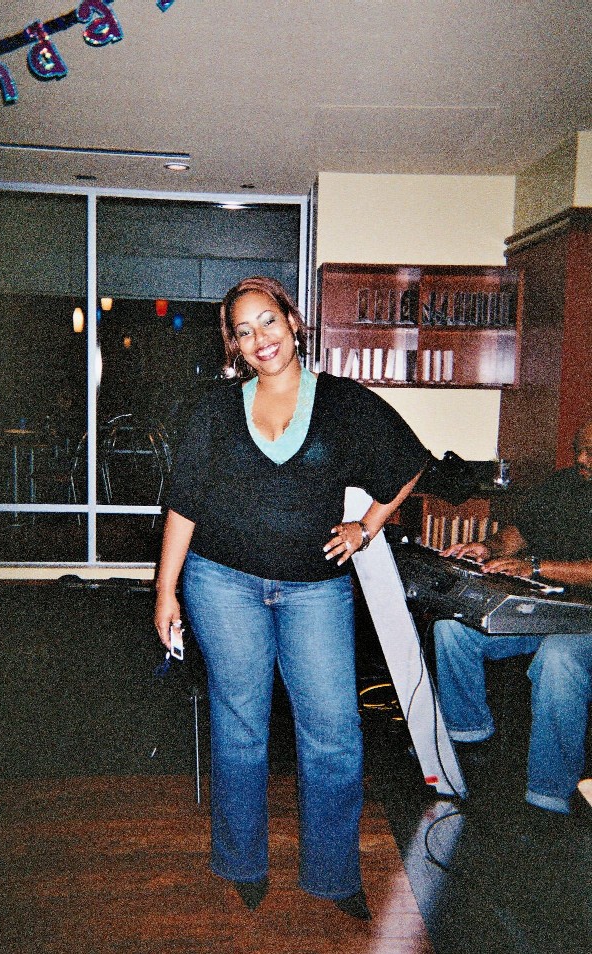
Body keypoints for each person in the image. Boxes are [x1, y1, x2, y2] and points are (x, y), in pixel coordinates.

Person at [154, 276, 429, 919]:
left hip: (315, 591)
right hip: (223, 583)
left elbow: (409, 461)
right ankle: (241, 862)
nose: (260, 339)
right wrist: (165, 592)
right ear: (235, 345)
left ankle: (332, 874)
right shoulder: (214, 411)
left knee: (334, 731)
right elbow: (184, 505)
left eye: (268, 322)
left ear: (293, 321)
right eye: (244, 331)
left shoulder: (343, 403)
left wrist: (366, 527)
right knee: (240, 728)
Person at [434, 423, 592, 819]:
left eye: (590, 452)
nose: (580, 458)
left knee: (559, 658)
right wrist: (486, 547)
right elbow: (518, 532)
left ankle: (548, 795)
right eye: (579, 449)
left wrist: (537, 568)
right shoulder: (563, 485)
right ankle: (469, 738)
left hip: (587, 620)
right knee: (454, 627)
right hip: (549, 608)